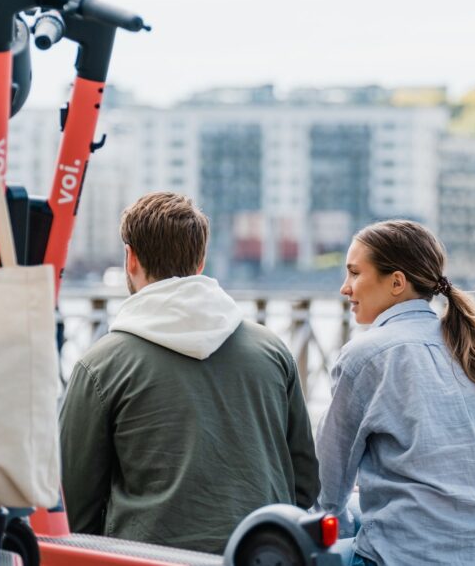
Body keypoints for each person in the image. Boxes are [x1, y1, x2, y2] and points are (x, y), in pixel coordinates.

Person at [59, 192, 319, 553]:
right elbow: (305, 484)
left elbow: (75, 510)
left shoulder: (101, 365)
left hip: (145, 559)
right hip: (259, 555)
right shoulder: (272, 351)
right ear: (201, 261)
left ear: (130, 259)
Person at [316, 220, 475, 566]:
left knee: (301, 538)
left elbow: (328, 493)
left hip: (408, 558)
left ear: (397, 282)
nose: (345, 289)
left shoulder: (367, 355)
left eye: (354, 274)